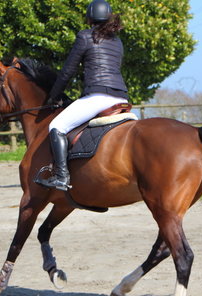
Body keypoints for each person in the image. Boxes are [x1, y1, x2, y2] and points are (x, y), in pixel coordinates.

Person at [35, 0, 129, 191]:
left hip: (98, 96)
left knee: (57, 126)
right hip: (121, 97)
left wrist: (54, 96)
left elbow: (67, 72)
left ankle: (61, 176)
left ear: (90, 17)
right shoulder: (117, 41)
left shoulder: (85, 36)